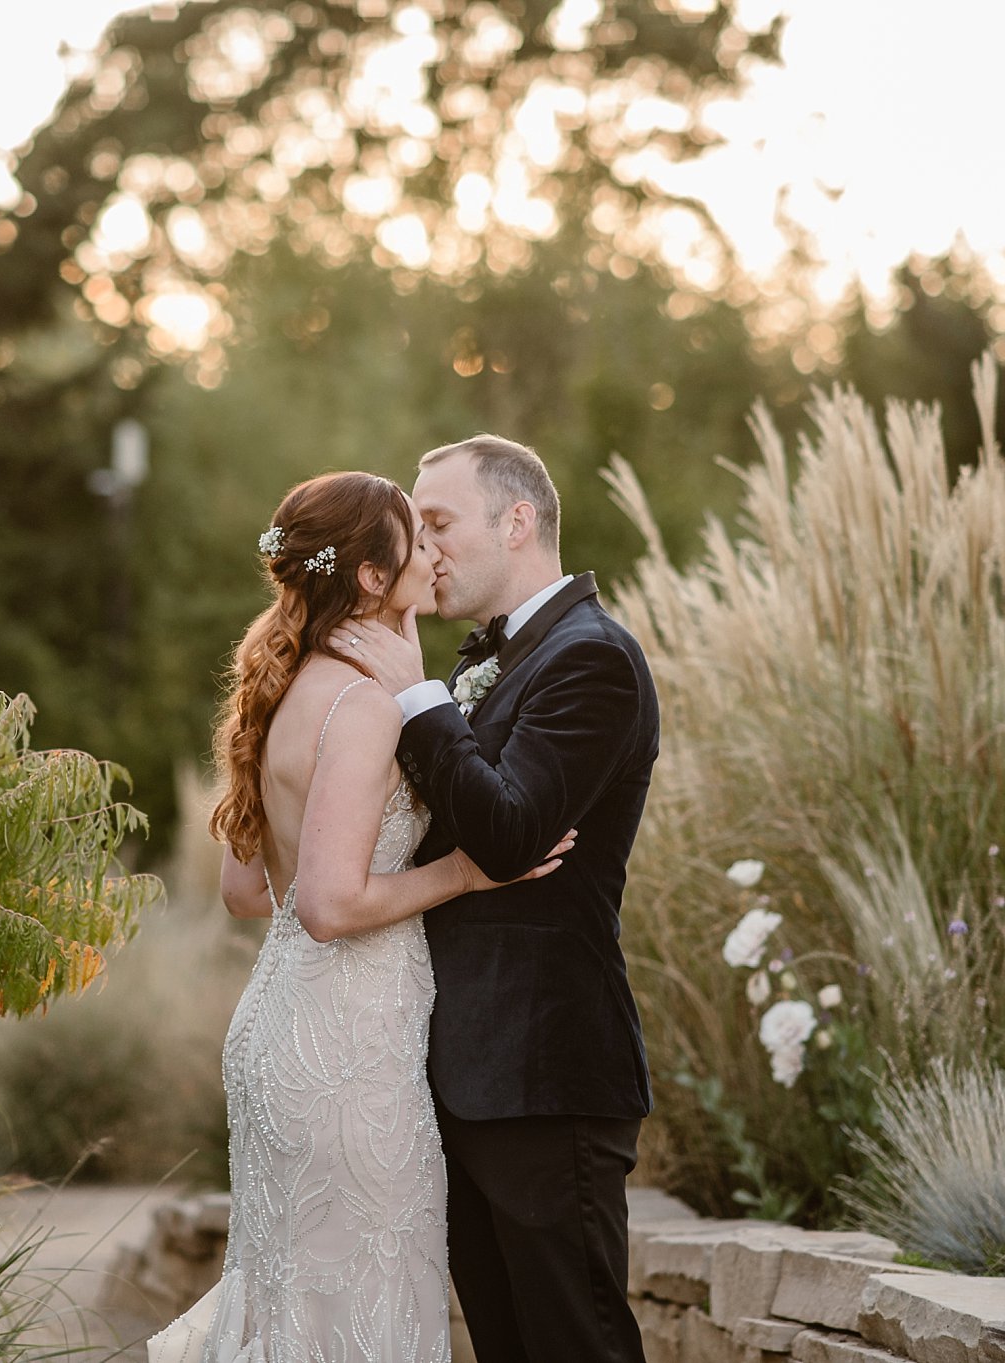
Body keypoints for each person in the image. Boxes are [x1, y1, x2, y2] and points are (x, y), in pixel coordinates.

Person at [149, 470, 574, 1363]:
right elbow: (331, 902)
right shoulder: (366, 705)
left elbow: (244, 894)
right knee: (359, 1313)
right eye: (417, 539)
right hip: (349, 1055)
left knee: (296, 1305)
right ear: (374, 576)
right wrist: (464, 871)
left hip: (277, 1029)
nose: (434, 552)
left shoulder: (280, 688)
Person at [328, 435, 660, 1363]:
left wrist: (419, 700)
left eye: (438, 523)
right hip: (462, 1074)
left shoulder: (592, 659)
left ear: (518, 522)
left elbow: (511, 835)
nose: (424, 551)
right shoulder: (500, 659)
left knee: (575, 1345)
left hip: (545, 1073)